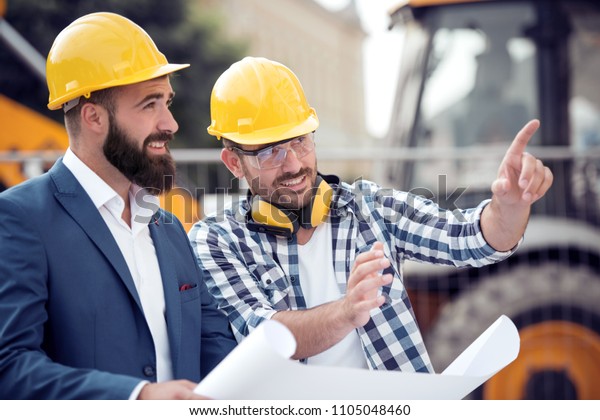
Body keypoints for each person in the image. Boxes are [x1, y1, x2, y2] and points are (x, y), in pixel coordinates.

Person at [188, 57, 553, 373]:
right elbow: (265, 338)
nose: (294, 164)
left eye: (300, 140)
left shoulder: (371, 208)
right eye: (270, 152)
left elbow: (472, 239)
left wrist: (510, 206)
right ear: (234, 162)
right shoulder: (216, 241)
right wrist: (348, 311)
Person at [0, 12, 237, 399]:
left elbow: (211, 343)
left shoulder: (170, 228)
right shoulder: (20, 218)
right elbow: (9, 366)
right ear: (94, 116)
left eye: (167, 102)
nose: (171, 123)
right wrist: (137, 396)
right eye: (149, 105)